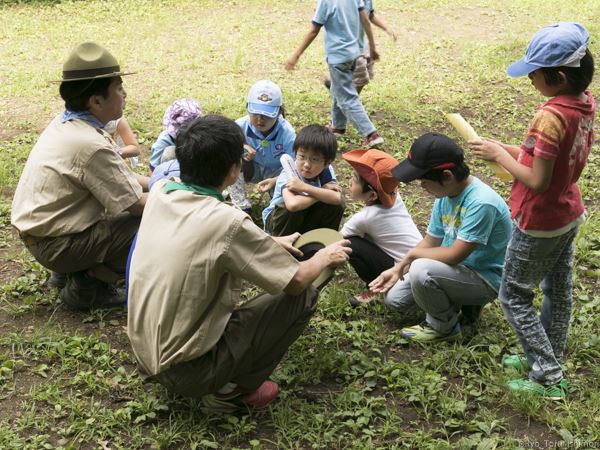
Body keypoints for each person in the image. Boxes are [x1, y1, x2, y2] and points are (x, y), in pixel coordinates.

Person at [127, 115, 351, 410]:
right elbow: (295, 281)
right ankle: (229, 392)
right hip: (187, 373)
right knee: (304, 295)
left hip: (145, 353)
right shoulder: (228, 222)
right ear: (234, 170)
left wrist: (267, 241)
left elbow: (203, 234)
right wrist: (324, 255)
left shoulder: (161, 192)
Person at [469, 22, 595, 399]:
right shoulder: (583, 103)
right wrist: (503, 148)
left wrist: (497, 158)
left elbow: (537, 181)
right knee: (558, 289)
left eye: (535, 75)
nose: (531, 81)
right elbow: (547, 160)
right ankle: (546, 354)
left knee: (514, 296)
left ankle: (549, 376)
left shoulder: (549, 116)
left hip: (538, 219)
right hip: (567, 212)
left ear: (556, 77)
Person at [10, 42, 148, 310]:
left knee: (123, 206)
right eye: (118, 89)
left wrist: (160, 182)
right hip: (57, 244)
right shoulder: (90, 144)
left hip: (43, 234)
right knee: (151, 222)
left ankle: (69, 272)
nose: (124, 94)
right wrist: (182, 196)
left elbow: (120, 180)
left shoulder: (69, 123)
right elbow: (136, 204)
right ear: (96, 101)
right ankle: (88, 285)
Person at [370, 133, 511, 342]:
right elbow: (431, 241)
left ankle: (444, 328)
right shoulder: (445, 195)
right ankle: (458, 303)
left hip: (483, 278)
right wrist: (396, 268)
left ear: (447, 176)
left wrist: (410, 259)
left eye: (424, 181)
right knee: (395, 299)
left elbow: (454, 254)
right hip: (454, 271)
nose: (422, 187)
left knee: (420, 268)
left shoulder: (482, 202)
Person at [285, 0, 384, 148]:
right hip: (355, 54)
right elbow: (365, 20)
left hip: (339, 58)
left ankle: (371, 134)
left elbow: (313, 30)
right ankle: (338, 126)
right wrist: (372, 47)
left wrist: (296, 55)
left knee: (347, 98)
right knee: (338, 89)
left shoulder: (325, 2)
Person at [341, 149, 422, 305]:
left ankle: (376, 290)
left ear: (372, 196)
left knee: (350, 243)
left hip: (399, 272)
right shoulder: (395, 198)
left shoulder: (365, 218)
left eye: (356, 180)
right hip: (417, 263)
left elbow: (335, 241)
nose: (350, 181)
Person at [262, 125, 344, 236]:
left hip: (304, 216)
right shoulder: (289, 172)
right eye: (302, 156)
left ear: (327, 162)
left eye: (315, 159)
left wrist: (305, 188)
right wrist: (320, 191)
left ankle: (320, 241)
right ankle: (282, 248)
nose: (306, 165)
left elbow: (336, 198)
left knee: (336, 206)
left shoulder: (327, 171)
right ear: (296, 153)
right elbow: (292, 205)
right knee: (289, 210)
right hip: (278, 222)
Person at [230, 80, 296, 215]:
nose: (260, 119)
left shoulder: (287, 133)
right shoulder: (239, 126)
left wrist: (276, 180)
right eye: (255, 114)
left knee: (283, 194)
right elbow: (223, 146)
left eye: (266, 115)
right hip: (251, 168)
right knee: (230, 163)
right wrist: (241, 147)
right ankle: (241, 206)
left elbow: (295, 166)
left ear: (278, 112)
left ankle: (275, 209)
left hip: (276, 172)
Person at [323, 0, 397, 95]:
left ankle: (341, 90)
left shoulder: (368, 2)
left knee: (367, 72)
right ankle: (348, 98)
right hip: (349, 46)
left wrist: (386, 28)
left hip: (362, 44)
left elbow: (370, 16)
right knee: (361, 77)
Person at [149, 98, 202, 172]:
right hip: (168, 175)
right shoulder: (164, 141)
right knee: (169, 153)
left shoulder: (201, 136)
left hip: (191, 173)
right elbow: (153, 167)